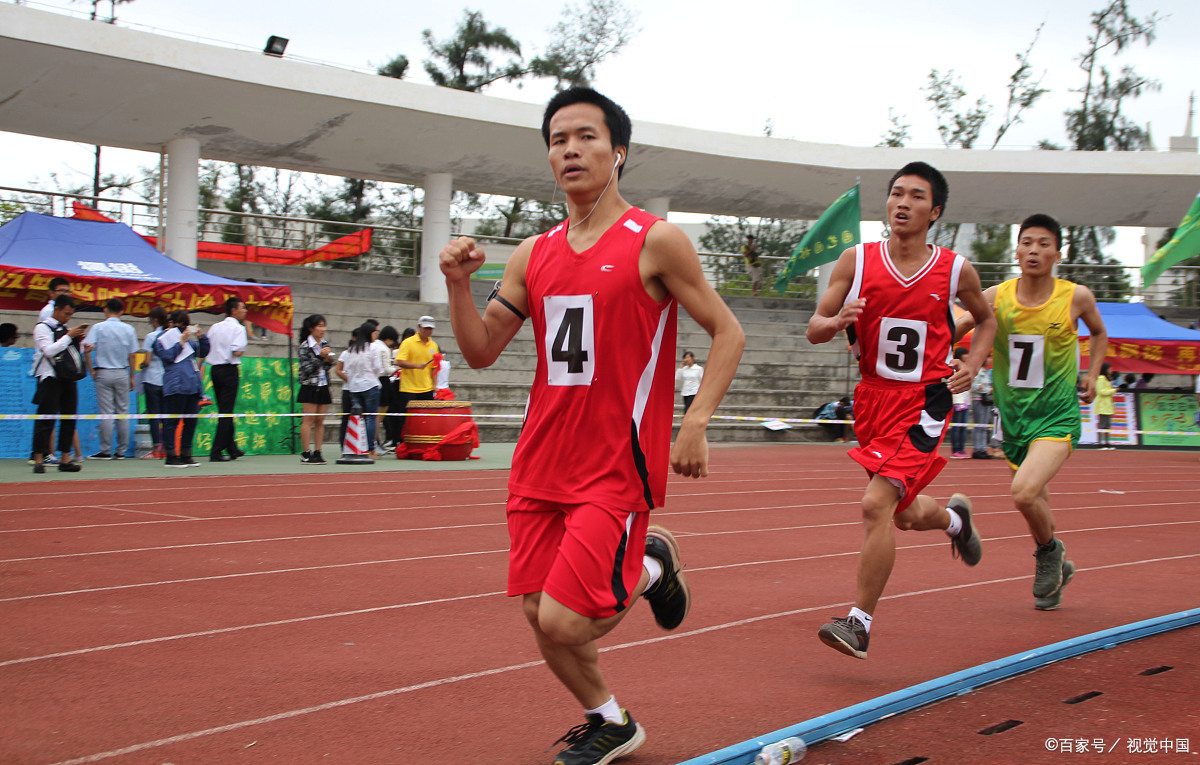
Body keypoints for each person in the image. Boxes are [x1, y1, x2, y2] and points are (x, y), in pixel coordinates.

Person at [438, 87, 744, 765]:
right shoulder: (532, 253)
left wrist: (695, 422)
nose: (570, 149)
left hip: (614, 461)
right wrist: (459, 284)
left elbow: (727, 331)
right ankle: (612, 720)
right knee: (536, 613)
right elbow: (482, 350)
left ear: (619, 152)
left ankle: (652, 562)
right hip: (541, 457)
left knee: (567, 618)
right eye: (557, 139)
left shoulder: (655, 240)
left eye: (586, 136)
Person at [805, 161, 996, 660]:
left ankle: (859, 623)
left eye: (915, 196)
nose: (902, 203)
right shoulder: (857, 261)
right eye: (895, 193)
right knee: (905, 514)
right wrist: (836, 320)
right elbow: (815, 327)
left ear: (934, 212)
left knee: (875, 505)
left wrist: (973, 363)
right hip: (872, 400)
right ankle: (956, 521)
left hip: (925, 403)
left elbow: (986, 319)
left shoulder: (954, 269)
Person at [957, 213, 1107, 611]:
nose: (1034, 250)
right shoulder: (996, 297)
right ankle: (1057, 572)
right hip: (1013, 419)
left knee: (1023, 493)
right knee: (1035, 503)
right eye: (1027, 242)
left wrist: (1091, 373)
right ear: (1016, 250)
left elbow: (1099, 331)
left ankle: (1049, 554)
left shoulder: (1076, 297)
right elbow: (958, 324)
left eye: (1043, 243)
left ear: (1058, 253)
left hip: (1057, 417)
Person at [30, 294, 87, 474]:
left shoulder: (66, 329)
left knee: (68, 419)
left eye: (71, 314)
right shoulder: (42, 328)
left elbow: (69, 352)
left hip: (67, 378)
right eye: (66, 313)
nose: (68, 317)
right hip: (49, 377)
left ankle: (65, 459)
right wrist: (69, 336)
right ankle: (39, 459)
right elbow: (49, 351)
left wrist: (81, 343)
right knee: (45, 419)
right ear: (56, 309)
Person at [82, 297, 139, 460]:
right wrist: (132, 376)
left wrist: (91, 370)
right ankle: (121, 450)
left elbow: (86, 348)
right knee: (123, 411)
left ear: (105, 310)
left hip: (103, 372)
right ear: (122, 311)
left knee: (106, 412)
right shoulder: (129, 329)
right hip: (122, 372)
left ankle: (105, 450)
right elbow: (132, 355)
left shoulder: (98, 327)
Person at [153, 310, 210, 468]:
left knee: (190, 422)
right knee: (172, 422)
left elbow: (203, 351)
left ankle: (186, 454)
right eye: (180, 324)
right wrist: (180, 343)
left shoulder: (190, 344)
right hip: (176, 386)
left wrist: (200, 337)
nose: (182, 328)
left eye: (185, 325)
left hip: (192, 386)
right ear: (171, 323)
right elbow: (168, 357)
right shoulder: (161, 340)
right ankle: (171, 455)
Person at [205, 297, 249, 461]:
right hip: (229, 369)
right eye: (242, 308)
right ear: (233, 310)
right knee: (226, 412)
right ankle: (216, 450)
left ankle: (232, 448)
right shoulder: (238, 328)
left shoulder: (215, 327)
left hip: (215, 369)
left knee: (224, 409)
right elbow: (237, 351)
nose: (245, 311)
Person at [335, 322, 384, 455]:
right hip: (370, 384)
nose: (376, 336)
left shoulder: (351, 350)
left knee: (358, 418)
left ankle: (357, 447)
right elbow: (378, 368)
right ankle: (370, 448)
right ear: (369, 333)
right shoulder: (373, 348)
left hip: (354, 387)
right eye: (374, 333)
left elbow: (348, 369)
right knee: (371, 417)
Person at [393, 315, 439, 440]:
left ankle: (422, 441)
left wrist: (435, 385)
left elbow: (434, 366)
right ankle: (402, 442)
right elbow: (400, 361)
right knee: (406, 419)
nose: (428, 331)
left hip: (426, 388)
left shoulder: (433, 345)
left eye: (430, 329)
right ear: (419, 327)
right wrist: (416, 366)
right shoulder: (408, 343)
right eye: (425, 328)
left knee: (425, 418)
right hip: (409, 388)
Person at [297, 314, 335, 465]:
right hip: (309, 385)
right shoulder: (305, 346)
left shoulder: (324, 344)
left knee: (320, 420)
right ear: (311, 328)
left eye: (323, 326)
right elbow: (306, 368)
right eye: (319, 326)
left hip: (323, 384)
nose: (322, 329)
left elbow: (326, 366)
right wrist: (320, 357)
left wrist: (327, 360)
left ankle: (318, 451)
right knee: (308, 419)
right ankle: (306, 452)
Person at [140, 306, 169, 459]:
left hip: (152, 379)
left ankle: (156, 449)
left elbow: (147, 360)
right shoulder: (170, 335)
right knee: (165, 416)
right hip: (166, 379)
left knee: (154, 415)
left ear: (155, 320)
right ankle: (165, 447)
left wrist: (141, 365)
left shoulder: (151, 336)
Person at [375, 325, 400, 450]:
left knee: (374, 415)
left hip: (373, 381)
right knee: (379, 416)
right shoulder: (384, 349)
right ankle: (374, 442)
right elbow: (386, 370)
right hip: (383, 381)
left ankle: (374, 442)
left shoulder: (373, 345)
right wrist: (397, 368)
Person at [969, 356, 994, 459]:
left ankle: (983, 448)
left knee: (984, 426)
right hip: (979, 399)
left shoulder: (986, 371)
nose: (990, 359)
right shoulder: (978, 372)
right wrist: (981, 388)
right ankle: (977, 448)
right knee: (979, 425)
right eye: (988, 357)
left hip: (986, 399)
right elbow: (972, 385)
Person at [949, 347, 971, 458]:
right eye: (965, 354)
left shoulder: (967, 368)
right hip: (957, 401)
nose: (967, 356)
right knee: (956, 426)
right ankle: (956, 449)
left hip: (966, 401)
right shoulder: (954, 368)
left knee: (963, 427)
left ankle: (961, 449)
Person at [1094, 362, 1115, 450]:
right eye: (1109, 368)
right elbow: (1101, 391)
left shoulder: (1107, 379)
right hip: (1103, 405)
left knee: (1107, 425)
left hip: (1107, 405)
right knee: (1102, 425)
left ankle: (1107, 442)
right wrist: (1113, 390)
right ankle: (1099, 443)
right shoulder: (1101, 378)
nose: (1111, 370)